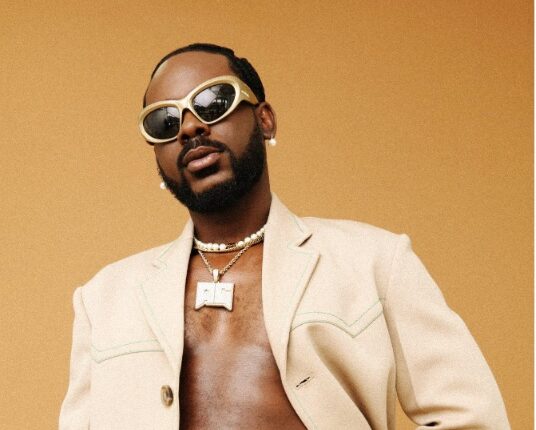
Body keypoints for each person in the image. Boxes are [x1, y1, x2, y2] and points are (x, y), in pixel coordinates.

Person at [59, 43, 510, 429]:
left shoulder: (375, 262)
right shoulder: (104, 299)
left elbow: (472, 417)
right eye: (164, 122)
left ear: (265, 120)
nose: (191, 127)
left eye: (214, 102)